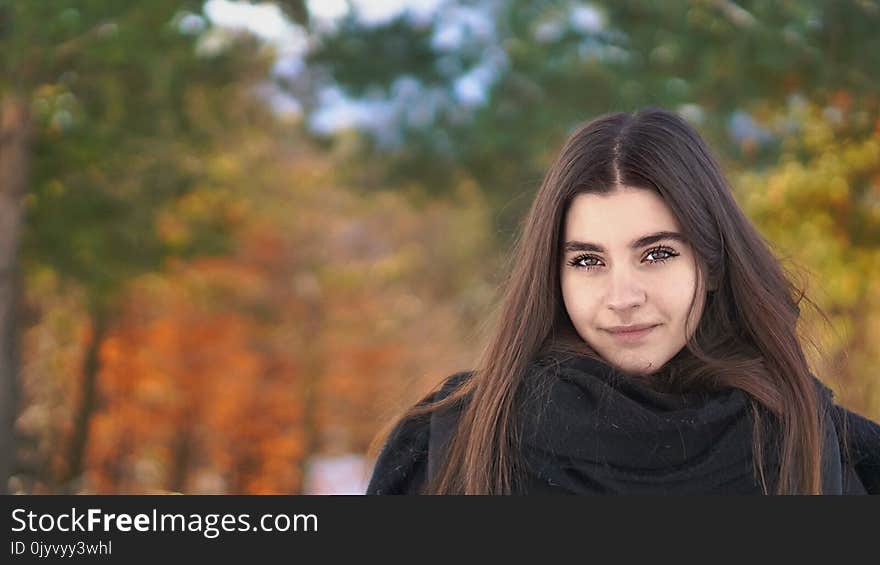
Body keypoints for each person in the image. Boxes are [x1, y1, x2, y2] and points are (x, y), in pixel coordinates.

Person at [365, 107, 880, 495]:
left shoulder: (813, 439)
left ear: (714, 262)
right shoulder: (454, 437)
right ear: (553, 276)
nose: (622, 297)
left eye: (656, 254)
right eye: (588, 261)